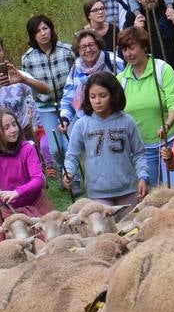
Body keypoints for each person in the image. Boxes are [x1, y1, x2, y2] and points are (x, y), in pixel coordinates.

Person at [62, 72, 149, 211]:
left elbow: (139, 153)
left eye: (103, 96)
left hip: (127, 189)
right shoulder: (81, 124)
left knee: (130, 229)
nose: (97, 101)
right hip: (98, 193)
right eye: (92, 96)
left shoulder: (127, 121)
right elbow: (72, 155)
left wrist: (143, 176)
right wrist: (68, 173)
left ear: (113, 96)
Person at [116, 27, 174, 189]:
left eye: (132, 48)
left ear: (144, 46)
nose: (128, 54)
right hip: (143, 149)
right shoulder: (120, 79)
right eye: (124, 49)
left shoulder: (162, 69)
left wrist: (167, 124)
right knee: (154, 195)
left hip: (171, 142)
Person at [0, 107, 53, 246]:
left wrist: (17, 192)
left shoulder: (27, 148)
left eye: (14, 124)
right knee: (8, 254)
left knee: (52, 242)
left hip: (36, 205)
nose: (13, 129)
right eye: (6, 127)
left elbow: (38, 180)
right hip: (11, 214)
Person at [21, 15, 75, 178]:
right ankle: (61, 172)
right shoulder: (28, 58)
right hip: (46, 107)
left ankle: (74, 178)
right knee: (55, 148)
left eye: (45, 28)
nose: (43, 33)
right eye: (38, 31)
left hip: (69, 103)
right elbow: (28, 87)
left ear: (51, 29)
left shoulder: (67, 51)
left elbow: (76, 76)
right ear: (32, 35)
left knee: (69, 144)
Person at [59, 30, 124, 133]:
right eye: (83, 47)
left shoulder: (113, 62)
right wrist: (65, 118)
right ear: (78, 51)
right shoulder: (75, 69)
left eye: (91, 45)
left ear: (98, 45)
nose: (88, 50)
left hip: (111, 117)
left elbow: (125, 89)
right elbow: (68, 97)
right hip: (84, 118)